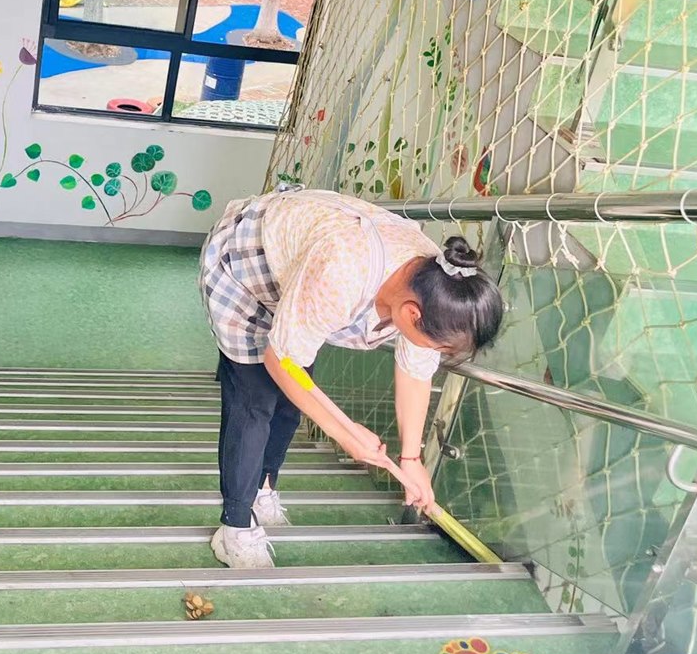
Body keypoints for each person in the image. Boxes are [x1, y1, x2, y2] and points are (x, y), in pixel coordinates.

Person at [199, 185, 504, 569]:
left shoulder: (437, 291)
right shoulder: (343, 272)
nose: (437, 354)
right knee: (255, 398)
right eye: (440, 347)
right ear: (411, 315)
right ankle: (235, 527)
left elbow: (415, 371)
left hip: (298, 275)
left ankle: (263, 487)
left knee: (290, 406)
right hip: (243, 266)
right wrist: (344, 432)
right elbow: (282, 361)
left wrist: (412, 458)